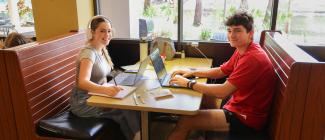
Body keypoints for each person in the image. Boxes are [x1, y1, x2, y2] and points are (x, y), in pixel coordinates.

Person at [167, 11, 276, 140]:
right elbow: (221, 71)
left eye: (237, 31)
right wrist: (192, 72)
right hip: (238, 105)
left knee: (185, 121)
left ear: (250, 34)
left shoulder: (252, 58)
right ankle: (200, 135)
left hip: (246, 119)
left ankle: (193, 130)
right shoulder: (244, 49)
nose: (232, 35)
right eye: (229, 31)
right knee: (199, 98)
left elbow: (222, 92)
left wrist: (188, 83)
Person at [69, 15, 140, 140]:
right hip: (84, 102)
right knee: (127, 109)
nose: (107, 34)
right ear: (92, 32)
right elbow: (82, 82)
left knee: (129, 106)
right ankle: (138, 135)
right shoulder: (88, 53)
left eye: (109, 31)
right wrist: (106, 90)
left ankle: (137, 135)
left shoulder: (101, 49)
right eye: (102, 31)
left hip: (98, 96)